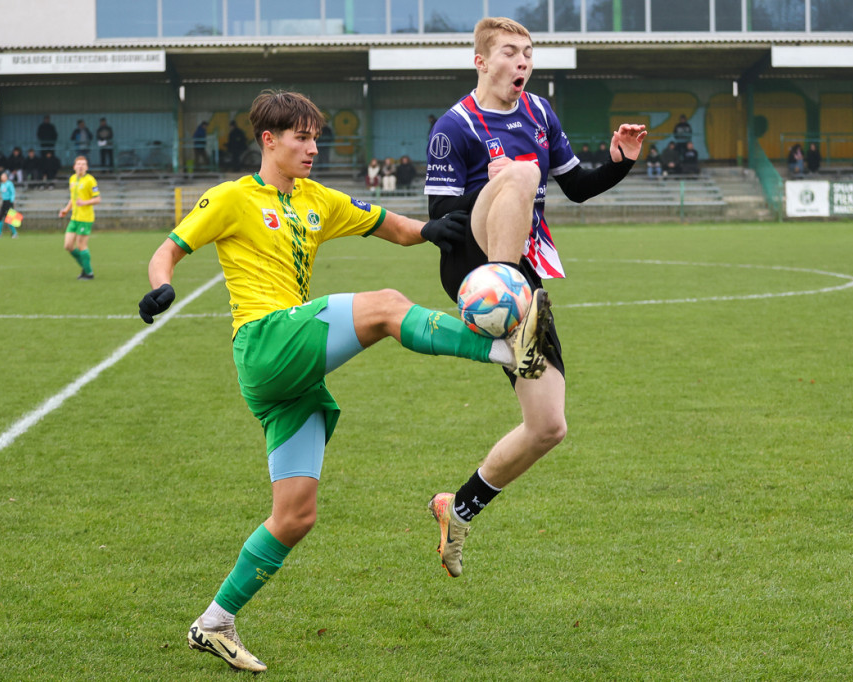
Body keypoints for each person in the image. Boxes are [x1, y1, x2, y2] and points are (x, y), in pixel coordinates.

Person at [136, 89, 548, 674]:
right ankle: (506, 348)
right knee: (383, 307)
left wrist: (439, 229)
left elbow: (396, 228)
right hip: (266, 342)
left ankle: (214, 622)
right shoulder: (232, 198)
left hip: (289, 376)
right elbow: (168, 250)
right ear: (269, 141)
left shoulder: (317, 200)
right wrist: (161, 286)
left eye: (315, 137)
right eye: (300, 137)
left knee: (296, 515)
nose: (312, 147)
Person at [423, 17, 645, 579]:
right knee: (519, 176)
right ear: (481, 61)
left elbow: (576, 187)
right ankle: (500, 290)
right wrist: (497, 183)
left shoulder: (541, 113)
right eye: (509, 53)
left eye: (528, 54)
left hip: (525, 276)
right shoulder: (455, 126)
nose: (522, 63)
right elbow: (439, 220)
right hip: (473, 267)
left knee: (549, 425)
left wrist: (619, 162)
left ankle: (460, 508)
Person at [58, 156, 99, 280]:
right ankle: (86, 267)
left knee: (81, 245)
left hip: (85, 218)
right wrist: (66, 210)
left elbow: (97, 199)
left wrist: (85, 202)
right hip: (74, 218)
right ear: (74, 166)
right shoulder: (72, 179)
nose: (81, 166)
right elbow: (73, 199)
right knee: (68, 246)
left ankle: (89, 273)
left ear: (86, 167)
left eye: (83, 164)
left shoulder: (90, 180)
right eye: (78, 164)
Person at [0, 172, 18, 239]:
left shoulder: (9, 184)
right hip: (4, 202)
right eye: (1, 177)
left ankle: (15, 233)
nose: (2, 178)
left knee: (9, 219)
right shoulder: (2, 184)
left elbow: (13, 192)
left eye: (3, 176)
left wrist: (11, 201)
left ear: (6, 177)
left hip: (9, 202)